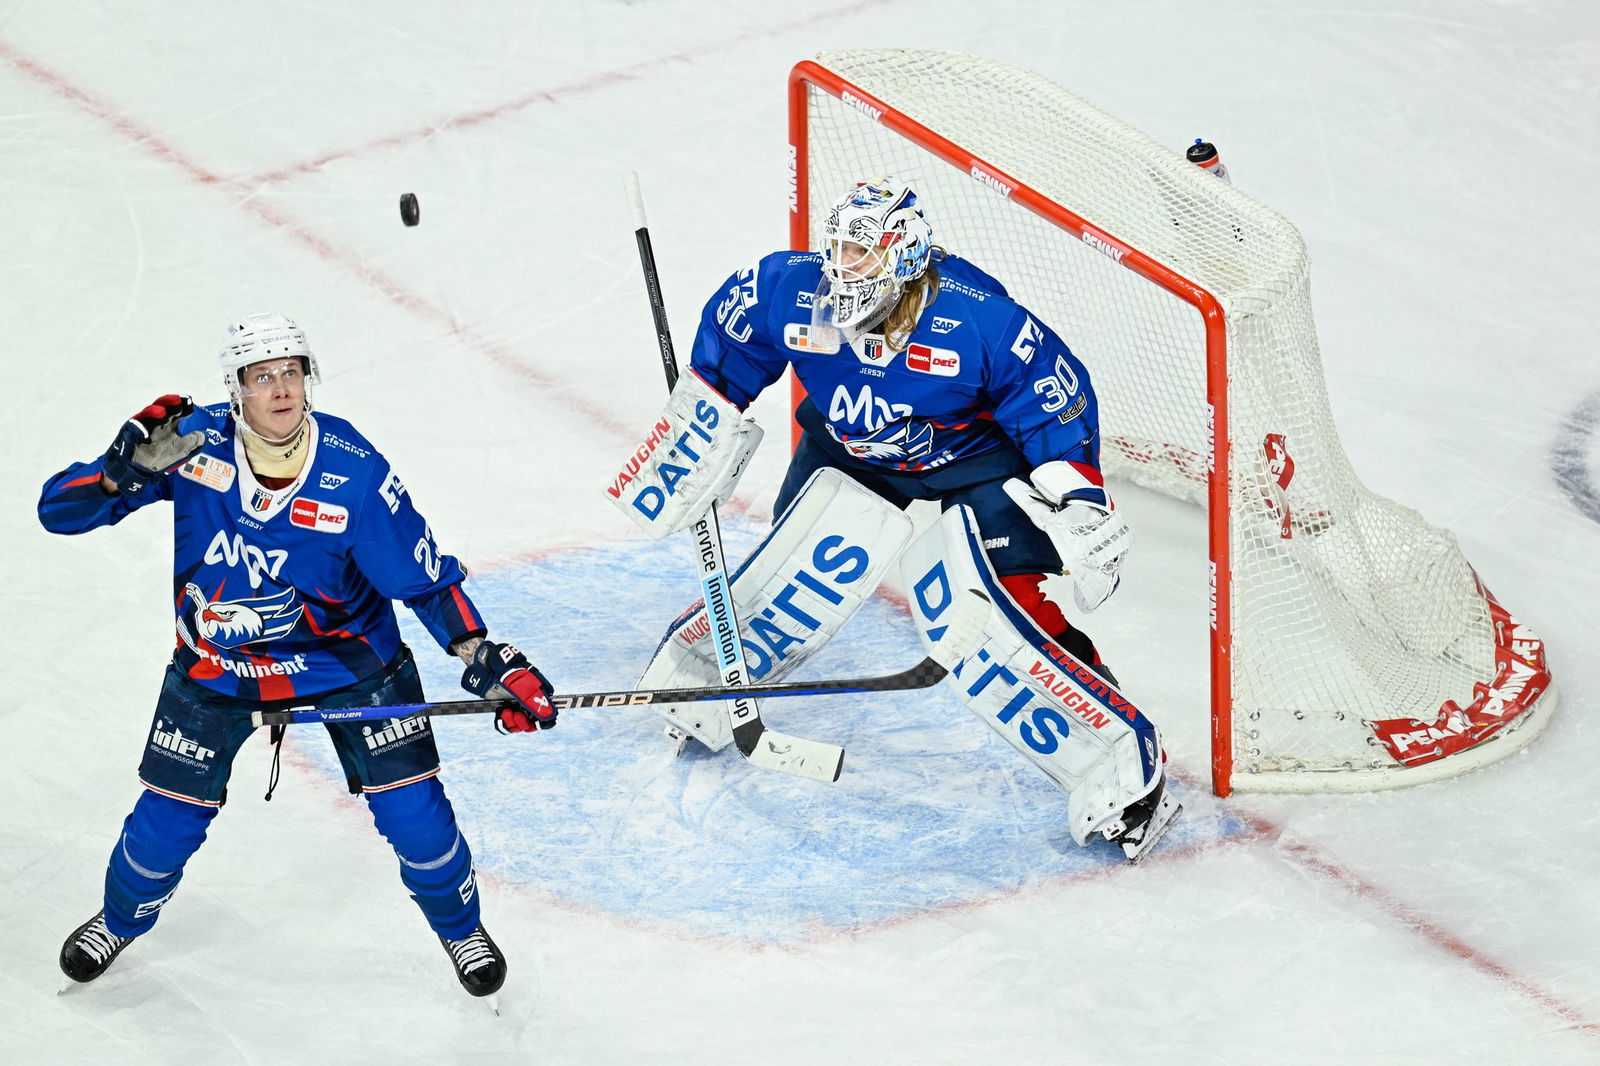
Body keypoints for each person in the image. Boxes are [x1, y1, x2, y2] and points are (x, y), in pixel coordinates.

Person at [610, 177, 1178, 862]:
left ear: (905, 259)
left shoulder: (979, 323)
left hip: (974, 460)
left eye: (864, 255)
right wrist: (702, 419)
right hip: (851, 449)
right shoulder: (788, 289)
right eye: (840, 251)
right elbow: (734, 339)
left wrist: (1080, 499)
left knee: (1002, 608)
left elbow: (1051, 399)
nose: (844, 270)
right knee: (792, 565)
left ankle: (1102, 744)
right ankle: (705, 682)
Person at [38, 313, 558, 997]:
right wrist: (116, 475)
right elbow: (56, 512)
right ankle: (118, 919)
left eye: (291, 372)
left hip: (347, 665)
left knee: (417, 821)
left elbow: (425, 581)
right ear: (236, 388)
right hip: (216, 668)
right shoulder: (193, 445)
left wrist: (488, 657)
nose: (281, 389)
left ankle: (460, 929)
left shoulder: (354, 472)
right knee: (162, 826)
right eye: (262, 377)